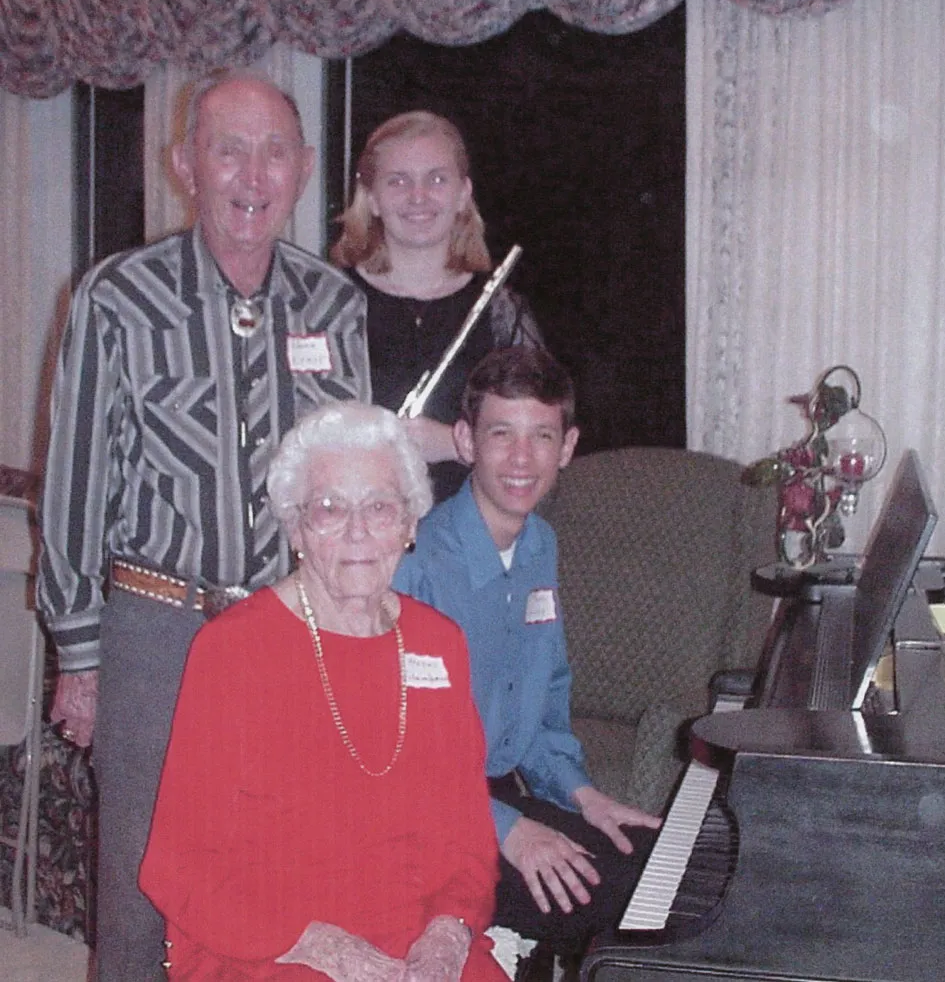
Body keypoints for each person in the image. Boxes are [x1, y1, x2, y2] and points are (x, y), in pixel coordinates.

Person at [36, 69, 369, 980]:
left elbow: (350, 484)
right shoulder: (117, 298)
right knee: (145, 880)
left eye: (273, 153)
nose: (251, 175)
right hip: (158, 632)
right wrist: (79, 656)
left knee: (283, 872)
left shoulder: (335, 306)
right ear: (187, 164)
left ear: (303, 170)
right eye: (229, 149)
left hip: (289, 629)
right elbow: (76, 484)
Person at [139, 401, 505, 981]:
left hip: (418, 942)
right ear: (295, 526)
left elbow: (468, 840)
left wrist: (446, 935)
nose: (358, 531)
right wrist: (330, 950)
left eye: (381, 507)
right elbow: (176, 866)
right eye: (330, 508)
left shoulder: (440, 643)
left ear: (411, 523)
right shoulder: (232, 651)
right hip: (272, 944)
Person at [394, 347, 661, 959]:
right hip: (423, 820)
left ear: (567, 447)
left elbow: (542, 710)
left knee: (657, 865)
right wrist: (509, 832)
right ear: (465, 441)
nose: (521, 459)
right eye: (500, 434)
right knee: (632, 901)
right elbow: (400, 756)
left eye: (541, 436)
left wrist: (583, 797)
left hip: (494, 794)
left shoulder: (539, 543)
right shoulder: (417, 565)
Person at [331, 110, 542, 501]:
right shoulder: (330, 301)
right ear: (372, 198)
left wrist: (452, 443)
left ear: (463, 194)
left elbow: (537, 445)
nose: (418, 197)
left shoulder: (501, 311)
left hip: (471, 532)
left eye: (437, 179)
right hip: (356, 529)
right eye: (398, 181)